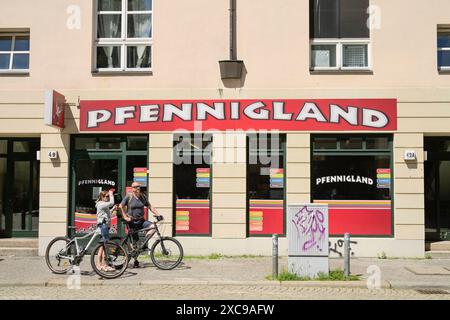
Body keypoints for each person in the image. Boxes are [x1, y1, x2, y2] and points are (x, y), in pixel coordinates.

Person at [119, 182, 161, 268]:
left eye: (138, 186)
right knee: (134, 243)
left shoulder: (143, 197)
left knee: (153, 227)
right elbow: (120, 206)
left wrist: (158, 215)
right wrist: (125, 217)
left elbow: (150, 206)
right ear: (132, 188)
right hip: (132, 222)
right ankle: (135, 261)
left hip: (142, 221)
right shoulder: (129, 196)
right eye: (135, 187)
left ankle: (143, 243)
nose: (137, 188)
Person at [95, 189, 117, 272]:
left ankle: (98, 264)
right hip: (103, 226)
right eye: (107, 196)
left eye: (109, 196)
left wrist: (112, 209)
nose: (108, 198)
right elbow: (111, 203)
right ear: (102, 197)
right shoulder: (101, 204)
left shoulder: (103, 205)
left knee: (102, 247)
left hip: (104, 226)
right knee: (105, 246)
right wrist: (111, 194)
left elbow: (107, 214)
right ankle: (105, 265)